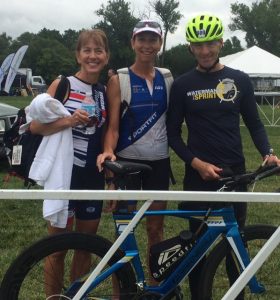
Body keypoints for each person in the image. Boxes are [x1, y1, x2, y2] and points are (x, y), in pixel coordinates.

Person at [166, 13, 279, 299]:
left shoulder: (238, 79)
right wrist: (196, 163)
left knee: (235, 246)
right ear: (190, 47)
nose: (205, 51)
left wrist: (268, 152)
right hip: (197, 177)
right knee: (196, 251)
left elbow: (254, 123)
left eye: (211, 44)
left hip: (234, 175)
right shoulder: (182, 84)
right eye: (198, 45)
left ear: (221, 42)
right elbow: (173, 134)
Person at [29, 29, 109, 298]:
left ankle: (77, 296)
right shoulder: (62, 85)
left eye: (98, 51)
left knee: (85, 246)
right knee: (58, 247)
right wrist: (70, 120)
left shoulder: (103, 90)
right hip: (65, 175)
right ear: (78, 55)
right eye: (87, 50)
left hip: (92, 177)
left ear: (106, 56)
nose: (93, 56)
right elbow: (36, 127)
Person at [97, 19, 173, 283]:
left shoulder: (167, 77)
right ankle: (124, 289)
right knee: (124, 230)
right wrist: (109, 155)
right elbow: (113, 127)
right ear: (133, 43)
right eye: (142, 39)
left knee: (156, 228)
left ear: (159, 44)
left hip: (159, 163)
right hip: (127, 163)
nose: (147, 45)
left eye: (153, 40)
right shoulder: (119, 79)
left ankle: (155, 286)